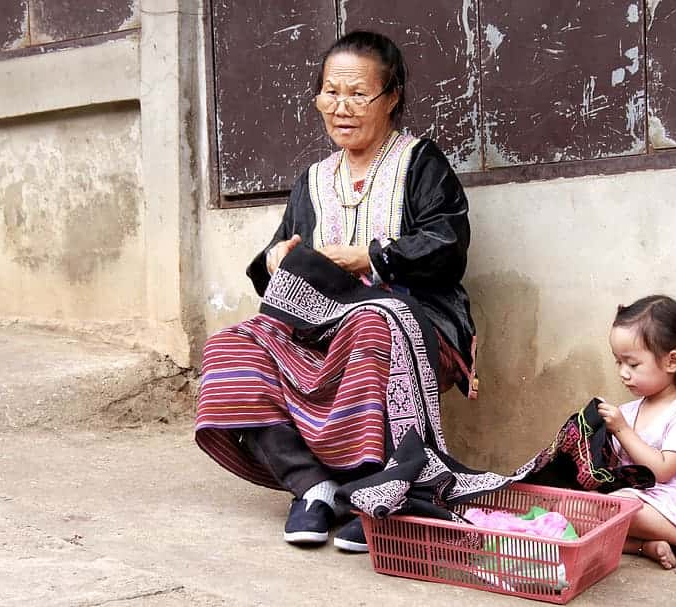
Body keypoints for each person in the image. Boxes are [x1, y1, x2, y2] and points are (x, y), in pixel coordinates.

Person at [195, 31, 480, 552]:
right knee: (231, 346)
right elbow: (280, 257)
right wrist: (275, 258)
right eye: (331, 93)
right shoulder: (313, 179)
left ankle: (374, 493)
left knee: (370, 325)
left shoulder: (420, 163)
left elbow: (447, 243)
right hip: (321, 322)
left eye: (357, 95)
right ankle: (312, 486)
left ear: (391, 97)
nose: (341, 108)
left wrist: (370, 256)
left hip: (411, 320)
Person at [597, 295, 676, 574]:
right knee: (583, 508)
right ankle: (647, 546)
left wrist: (621, 430)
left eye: (632, 364)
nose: (623, 373)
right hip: (640, 499)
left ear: (672, 361)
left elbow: (663, 472)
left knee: (619, 506)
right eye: (617, 362)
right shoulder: (630, 410)